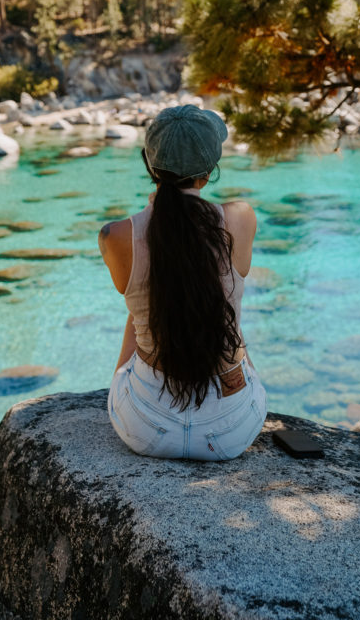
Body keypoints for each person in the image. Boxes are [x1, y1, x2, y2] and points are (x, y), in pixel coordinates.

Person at [99, 104, 267, 460]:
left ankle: (128, 386)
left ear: (149, 164)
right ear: (207, 175)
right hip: (231, 431)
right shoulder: (240, 218)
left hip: (146, 429)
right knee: (220, 306)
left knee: (139, 311)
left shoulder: (115, 236)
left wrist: (121, 381)